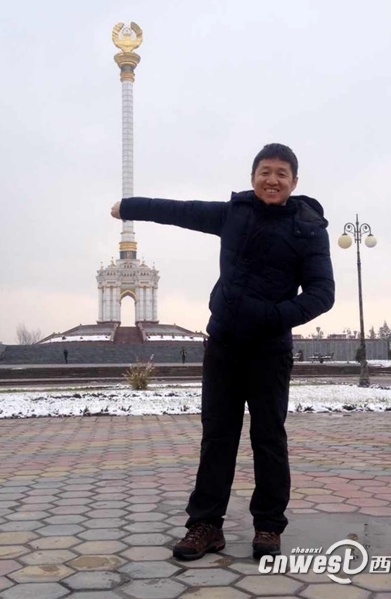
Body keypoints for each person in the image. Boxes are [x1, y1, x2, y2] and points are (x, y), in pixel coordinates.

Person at [111, 143, 334, 561]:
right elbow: (181, 211)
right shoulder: (234, 213)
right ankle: (205, 525)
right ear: (253, 177)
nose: (272, 180)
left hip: (269, 349)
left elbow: (323, 293)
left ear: (294, 182)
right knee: (217, 437)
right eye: (265, 171)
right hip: (224, 345)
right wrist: (130, 207)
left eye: (281, 173)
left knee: (269, 437)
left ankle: (268, 526)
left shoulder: (307, 228)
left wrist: (275, 317)